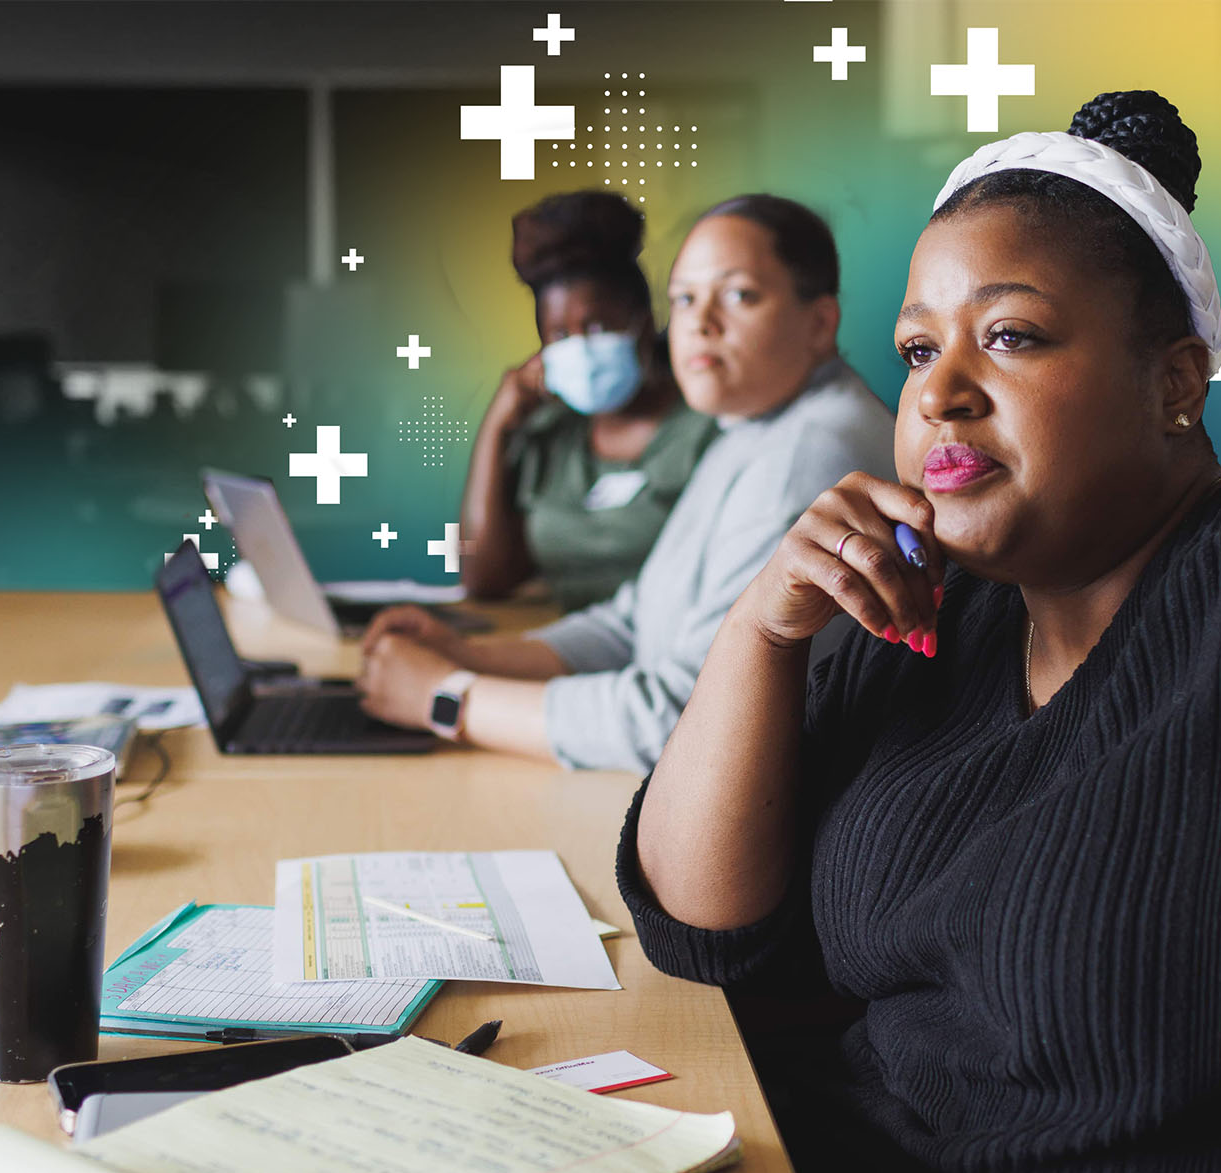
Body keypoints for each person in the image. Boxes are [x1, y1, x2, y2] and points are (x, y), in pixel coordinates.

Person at [621, 91, 1221, 1173]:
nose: (940, 393)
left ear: (1176, 381)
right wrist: (762, 634)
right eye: (921, 349)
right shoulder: (938, 617)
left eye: (1014, 336)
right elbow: (701, 926)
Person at [357, 195, 897, 772]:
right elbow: (633, 620)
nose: (700, 322)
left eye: (739, 295)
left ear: (819, 323)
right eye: (685, 299)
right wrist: (467, 654)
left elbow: (692, 719)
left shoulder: (808, 453)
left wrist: (450, 697)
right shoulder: (751, 426)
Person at [460, 191, 719, 610]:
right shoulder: (550, 434)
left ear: (643, 322)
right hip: (559, 649)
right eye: (560, 335)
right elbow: (484, 578)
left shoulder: (705, 427)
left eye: (597, 326)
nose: (580, 348)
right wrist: (496, 428)